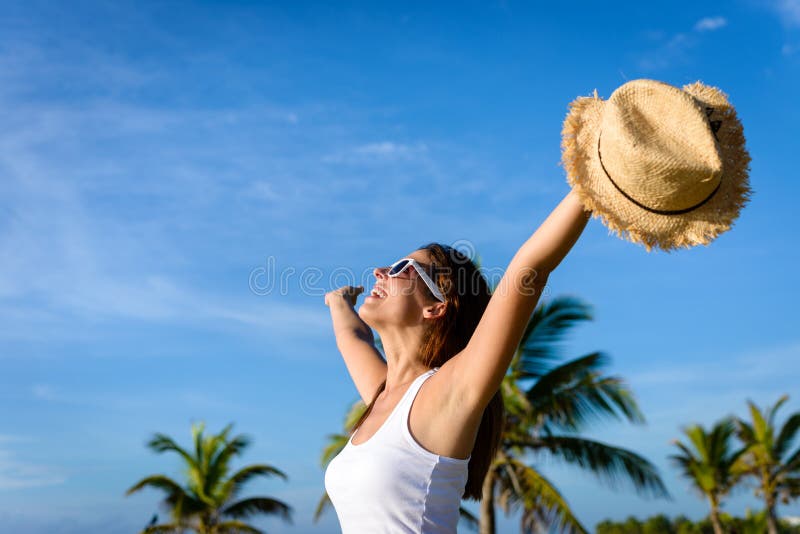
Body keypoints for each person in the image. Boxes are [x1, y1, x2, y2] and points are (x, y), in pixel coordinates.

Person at [323, 190, 591, 533]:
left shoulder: (448, 392)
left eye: (402, 269)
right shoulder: (383, 394)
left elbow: (530, 268)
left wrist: (589, 183)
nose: (379, 271)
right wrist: (338, 302)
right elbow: (352, 339)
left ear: (436, 306)